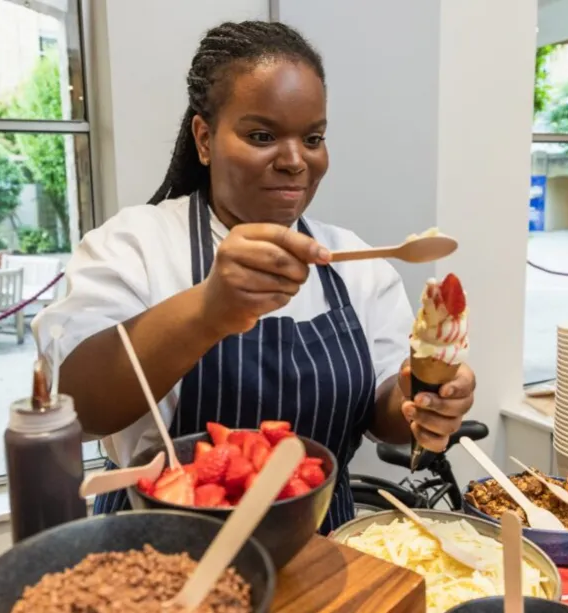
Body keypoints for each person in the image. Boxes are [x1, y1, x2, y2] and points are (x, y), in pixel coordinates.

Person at [33, 20, 476, 534]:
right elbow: (75, 408)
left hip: (318, 545)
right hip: (158, 548)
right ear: (204, 138)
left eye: (313, 138)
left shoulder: (355, 261)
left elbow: (385, 414)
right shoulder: (137, 244)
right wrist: (208, 311)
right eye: (262, 136)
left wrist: (423, 402)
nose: (294, 161)